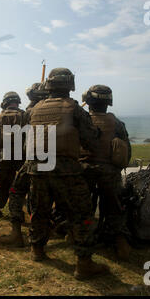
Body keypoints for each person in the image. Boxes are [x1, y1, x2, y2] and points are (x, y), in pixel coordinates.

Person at [27, 68, 109, 279]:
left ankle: (37, 250)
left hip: (37, 169)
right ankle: (84, 263)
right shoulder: (74, 109)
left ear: (49, 85)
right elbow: (90, 140)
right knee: (82, 215)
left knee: (39, 210)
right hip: (66, 170)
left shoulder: (34, 109)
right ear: (70, 85)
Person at [80, 85, 132, 260]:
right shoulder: (117, 123)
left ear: (88, 102)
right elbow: (126, 151)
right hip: (110, 172)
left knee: (85, 209)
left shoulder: (82, 121)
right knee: (114, 208)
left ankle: (81, 238)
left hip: (85, 171)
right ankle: (120, 241)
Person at [0, 83, 49, 247]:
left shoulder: (3, 116)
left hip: (13, 157)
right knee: (32, 190)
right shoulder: (25, 114)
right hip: (29, 157)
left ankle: (2, 213)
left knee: (9, 186)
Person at [0, 92, 27, 218]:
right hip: (20, 155)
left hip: (4, 155)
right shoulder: (23, 115)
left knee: (2, 183)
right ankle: (17, 211)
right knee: (20, 185)